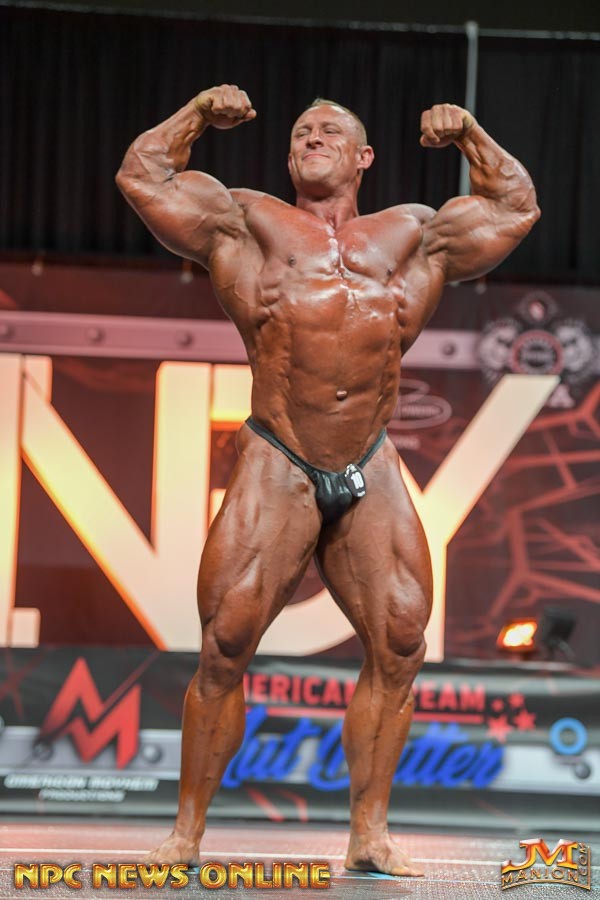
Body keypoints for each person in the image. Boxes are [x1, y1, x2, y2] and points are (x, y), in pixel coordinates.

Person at [116, 85, 539, 876]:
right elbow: (143, 176)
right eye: (302, 132)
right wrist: (197, 115)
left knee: (401, 642)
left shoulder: (414, 234)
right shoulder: (246, 221)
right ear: (288, 157)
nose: (312, 137)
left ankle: (370, 835)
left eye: (329, 131)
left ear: (364, 156)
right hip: (279, 455)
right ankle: (186, 835)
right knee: (226, 645)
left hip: (368, 457)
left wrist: (470, 135)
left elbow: (516, 206)